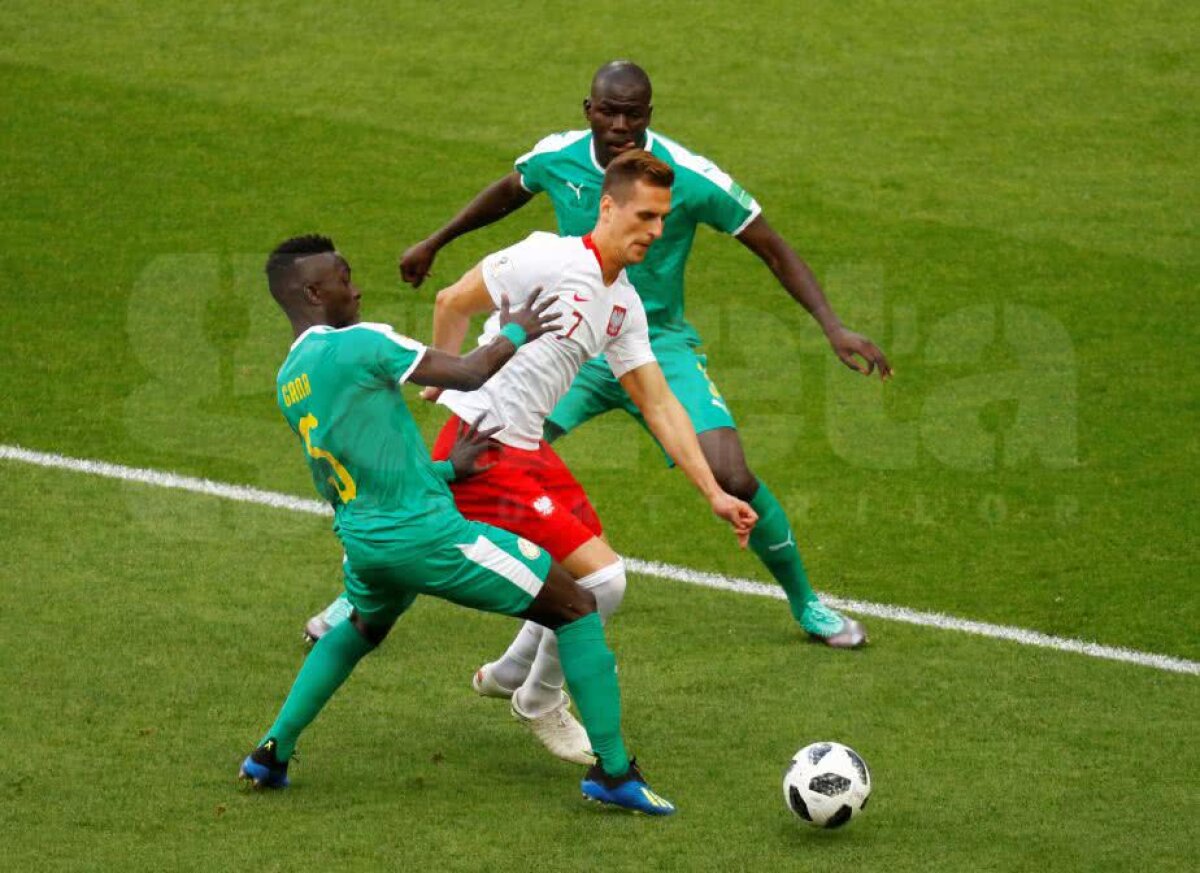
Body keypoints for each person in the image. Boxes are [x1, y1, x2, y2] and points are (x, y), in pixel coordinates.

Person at [397, 61, 890, 648]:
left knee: (730, 474)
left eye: (634, 112)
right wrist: (436, 241)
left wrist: (832, 327)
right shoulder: (558, 156)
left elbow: (772, 247)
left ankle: (808, 605)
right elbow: (508, 193)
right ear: (589, 110)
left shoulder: (686, 176)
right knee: (475, 457)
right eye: (610, 111)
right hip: (574, 345)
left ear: (650, 113)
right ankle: (366, 596)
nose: (621, 124)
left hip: (657, 344)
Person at [306, 151, 758, 766]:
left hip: (527, 448)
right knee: (604, 580)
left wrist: (713, 491)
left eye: (664, 219)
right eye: (646, 216)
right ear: (607, 206)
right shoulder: (547, 255)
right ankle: (539, 699)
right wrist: (449, 375)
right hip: (483, 447)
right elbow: (453, 300)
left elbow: (658, 402)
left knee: (580, 580)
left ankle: (511, 671)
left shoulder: (623, 304)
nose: (656, 231)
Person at [240, 234, 676, 815]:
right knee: (576, 604)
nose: (358, 287)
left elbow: (368, 461)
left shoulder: (290, 378)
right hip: (425, 536)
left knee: (361, 630)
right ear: (314, 291)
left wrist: (447, 467)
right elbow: (467, 374)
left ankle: (270, 753)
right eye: (345, 277)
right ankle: (615, 772)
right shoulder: (361, 344)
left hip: (363, 539)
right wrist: (516, 329)